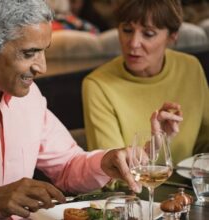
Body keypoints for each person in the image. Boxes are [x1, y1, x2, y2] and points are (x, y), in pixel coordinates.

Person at [0, 0, 181, 219]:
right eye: (29, 53)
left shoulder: (27, 96)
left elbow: (66, 166)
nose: (42, 67)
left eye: (44, 51)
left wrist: (105, 162)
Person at [82, 0, 209, 164]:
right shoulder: (97, 84)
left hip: (190, 188)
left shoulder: (190, 67)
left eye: (148, 34)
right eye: (127, 30)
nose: (133, 44)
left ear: (172, 36)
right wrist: (153, 148)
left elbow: (204, 144)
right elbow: (111, 176)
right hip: (134, 189)